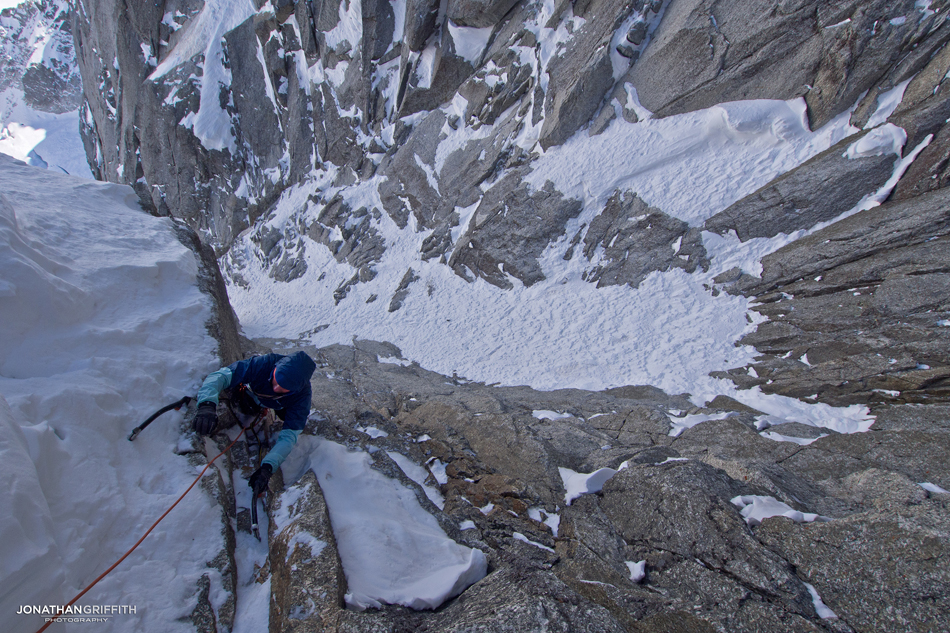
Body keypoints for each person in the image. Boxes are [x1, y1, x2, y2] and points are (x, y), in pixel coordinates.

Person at [193, 351, 317, 497]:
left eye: (284, 387)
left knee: (285, 415)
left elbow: (289, 436)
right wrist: (207, 404)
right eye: (277, 380)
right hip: (253, 392)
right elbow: (220, 376)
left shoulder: (302, 398)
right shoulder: (264, 364)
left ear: (297, 388)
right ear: (276, 367)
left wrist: (268, 467)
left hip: (279, 405)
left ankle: (264, 406)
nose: (276, 388)